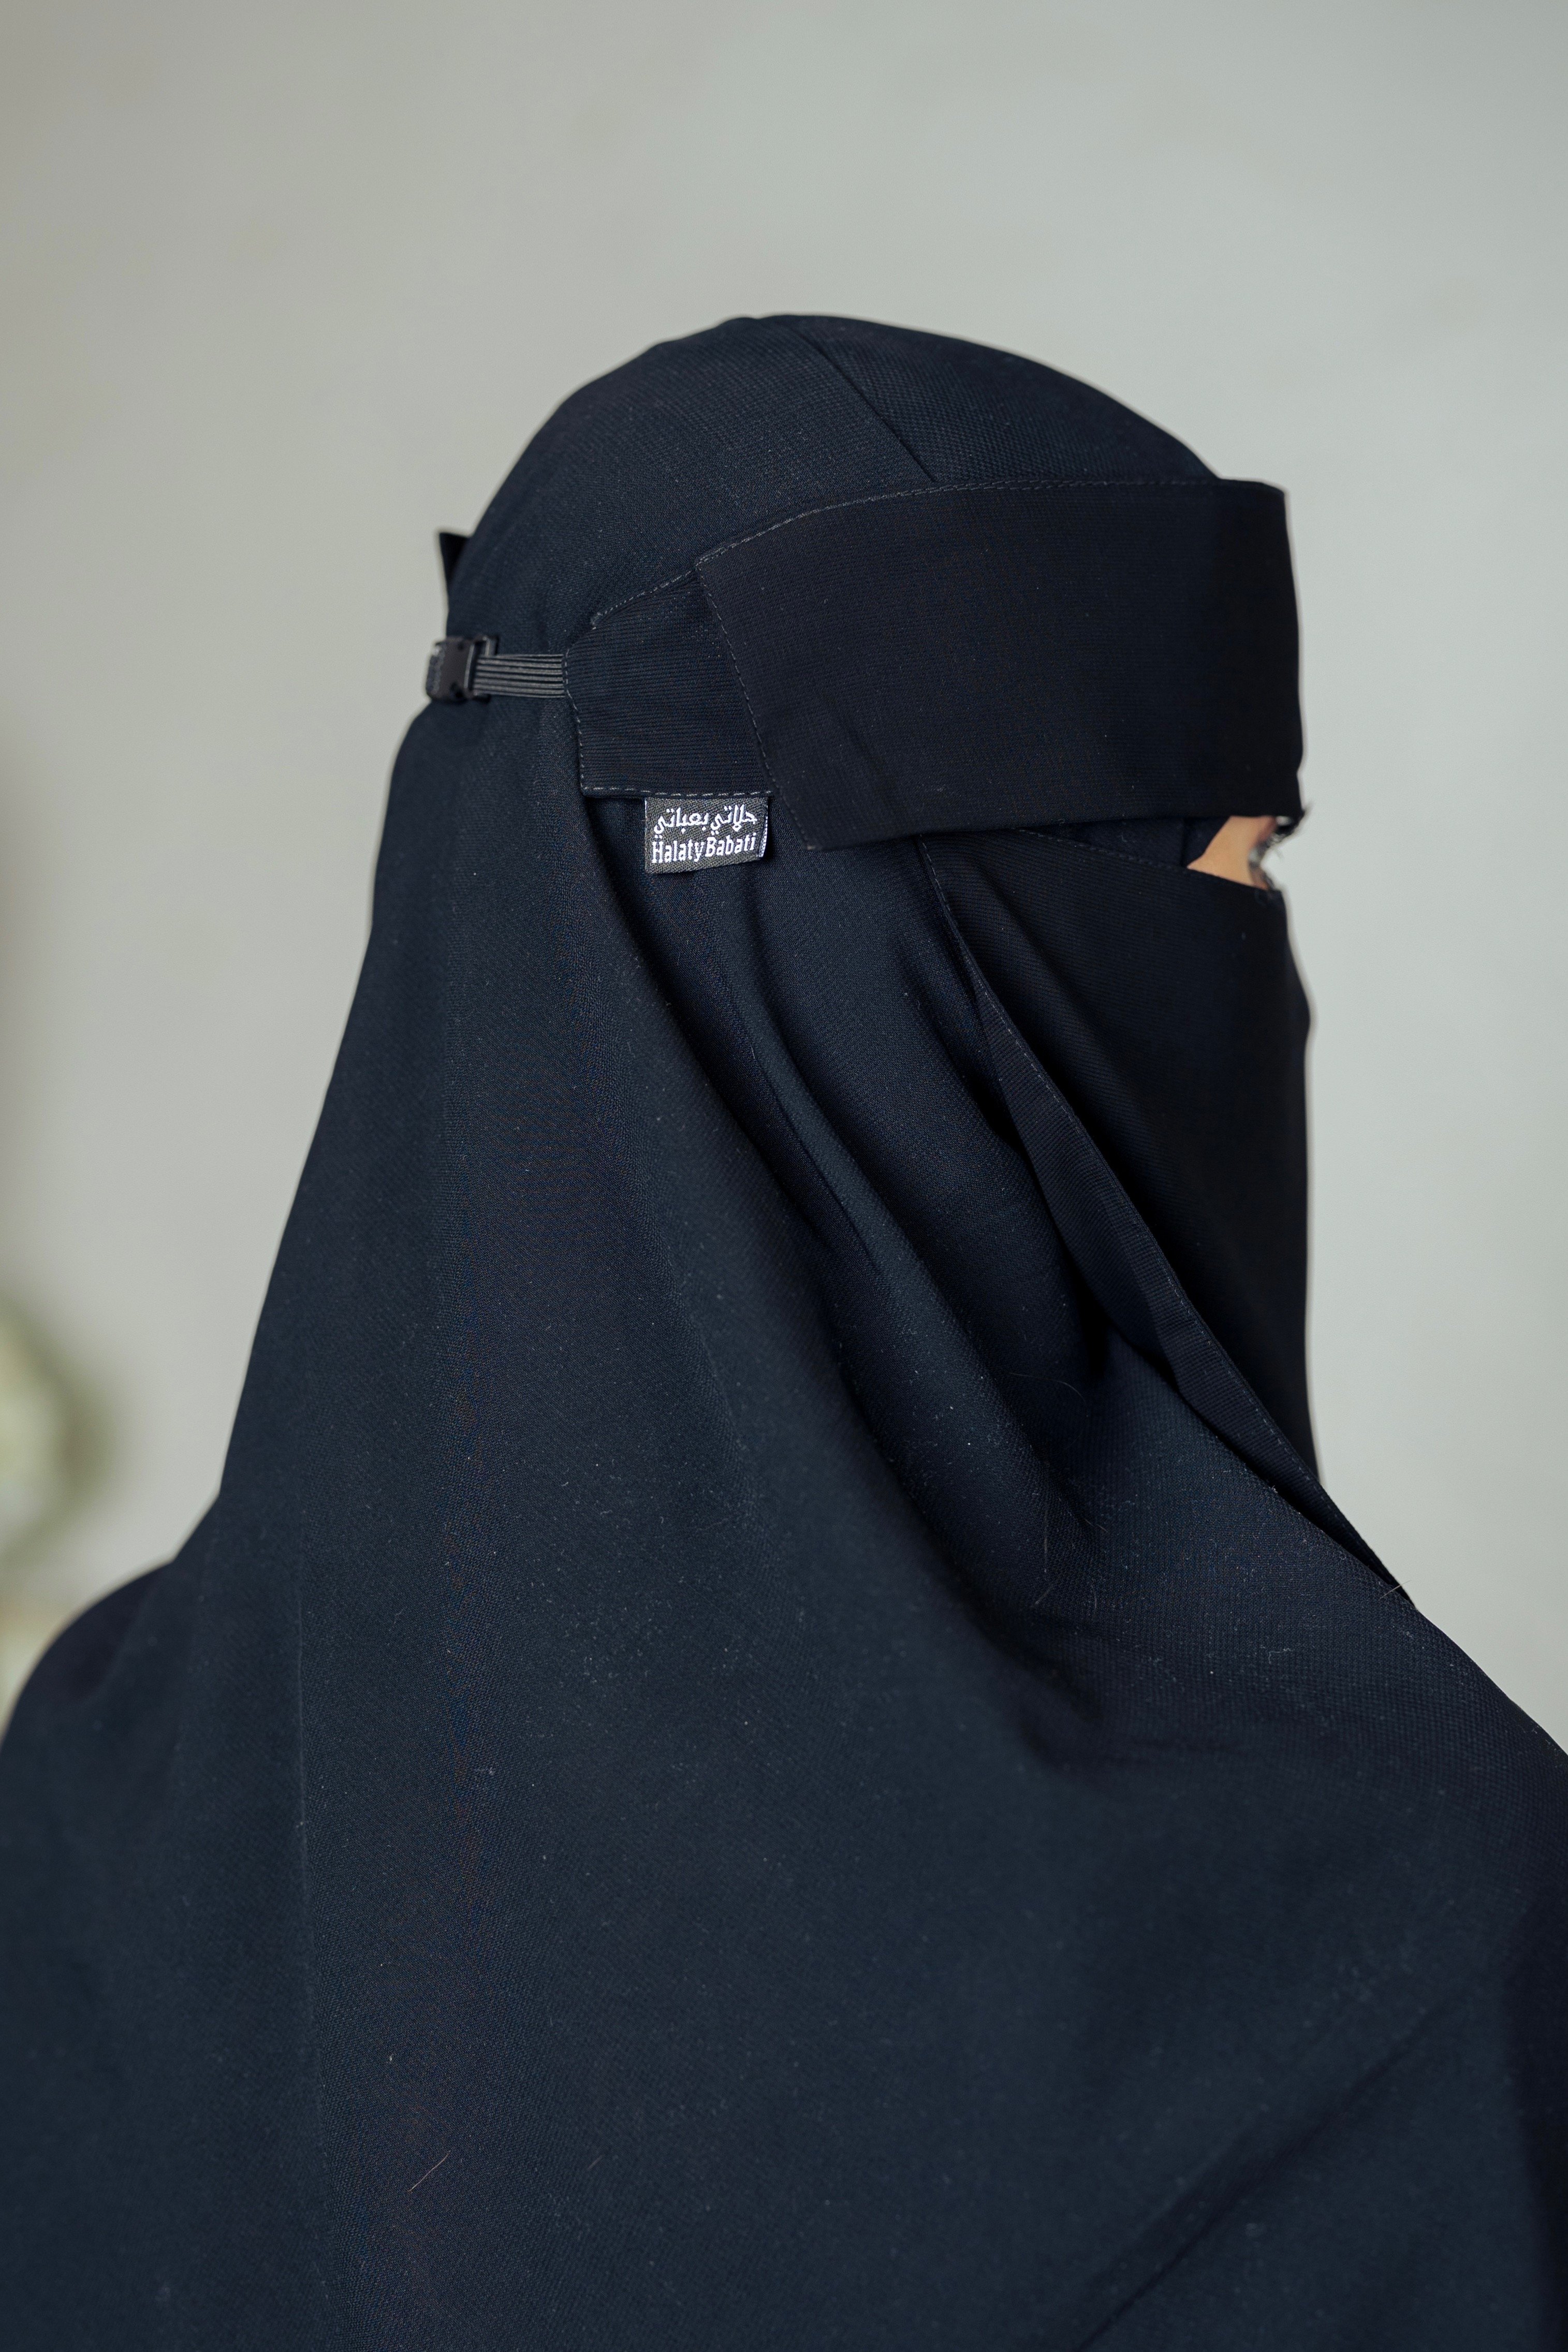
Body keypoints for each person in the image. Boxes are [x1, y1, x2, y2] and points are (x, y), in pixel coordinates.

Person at [1, 317, 1563, 2349]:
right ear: (951, 951)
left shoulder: (81, 1800)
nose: (1261, 963)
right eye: (1233, 866)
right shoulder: (1396, 1958)